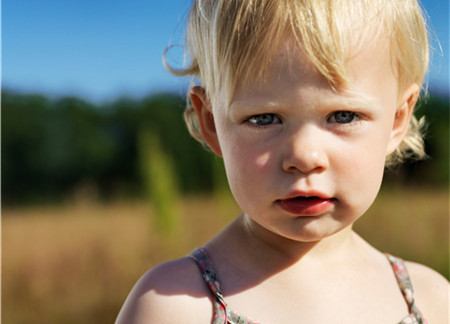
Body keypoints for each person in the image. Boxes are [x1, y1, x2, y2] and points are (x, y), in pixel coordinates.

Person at [116, 0, 448, 323]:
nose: (304, 156)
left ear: (397, 119)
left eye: (343, 115)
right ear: (211, 122)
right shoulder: (174, 307)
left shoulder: (431, 302)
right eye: (264, 118)